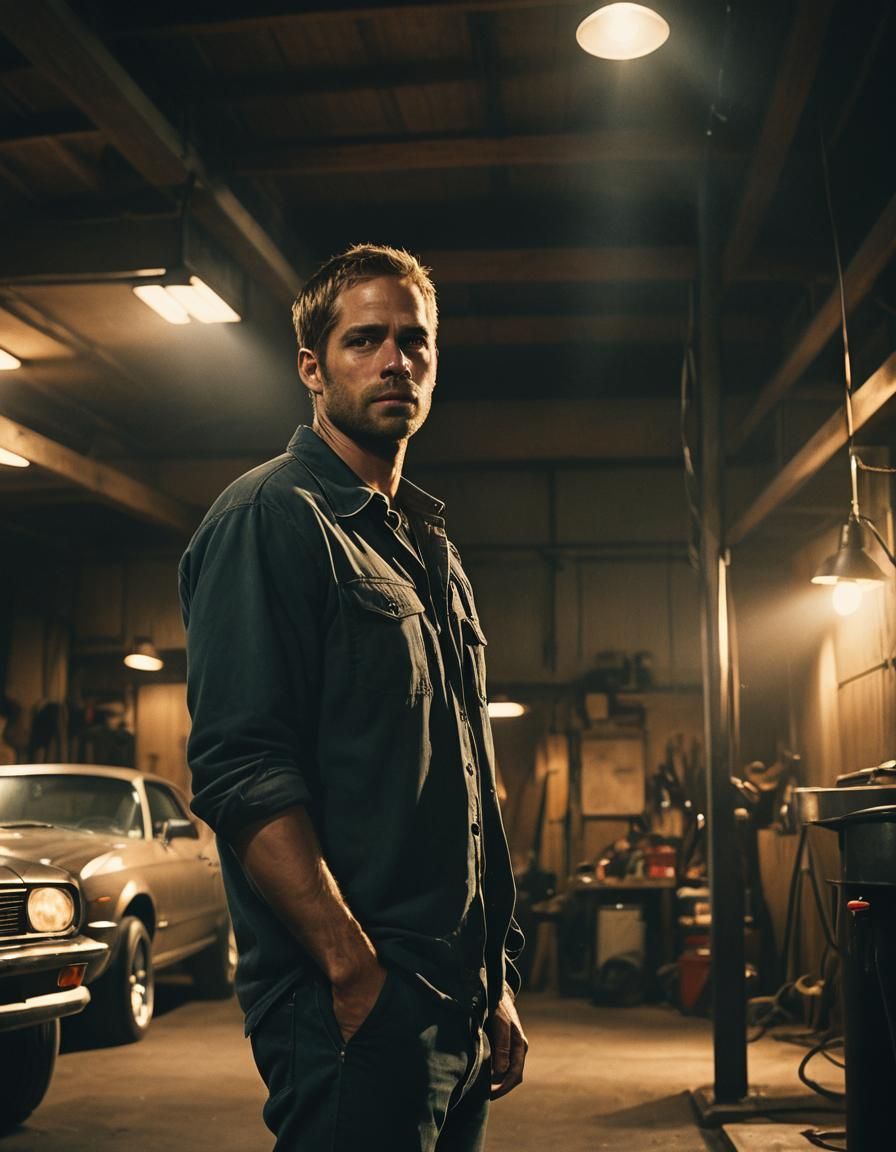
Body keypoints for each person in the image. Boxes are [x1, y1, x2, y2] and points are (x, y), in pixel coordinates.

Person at [179, 243, 526, 1151]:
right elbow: (241, 771)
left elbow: (463, 784)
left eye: (415, 341)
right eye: (365, 339)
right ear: (311, 367)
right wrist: (352, 971)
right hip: (354, 1009)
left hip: (456, 1003)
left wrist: (497, 984)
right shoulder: (271, 520)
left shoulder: (431, 555)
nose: (395, 360)